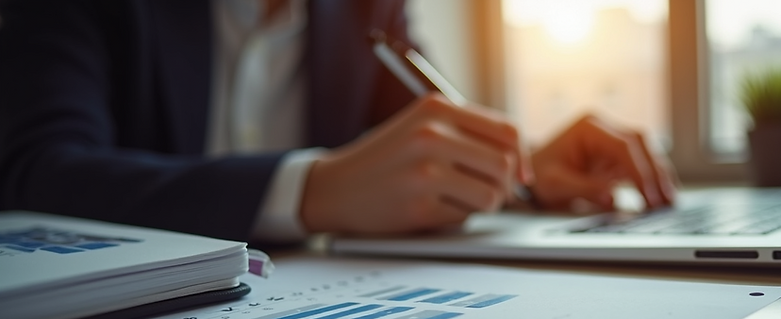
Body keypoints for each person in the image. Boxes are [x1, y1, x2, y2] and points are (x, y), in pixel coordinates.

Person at [0, 0, 675, 243]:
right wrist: (312, 189)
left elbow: (422, 144)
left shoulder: (365, 8)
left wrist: (522, 167)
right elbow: (37, 172)